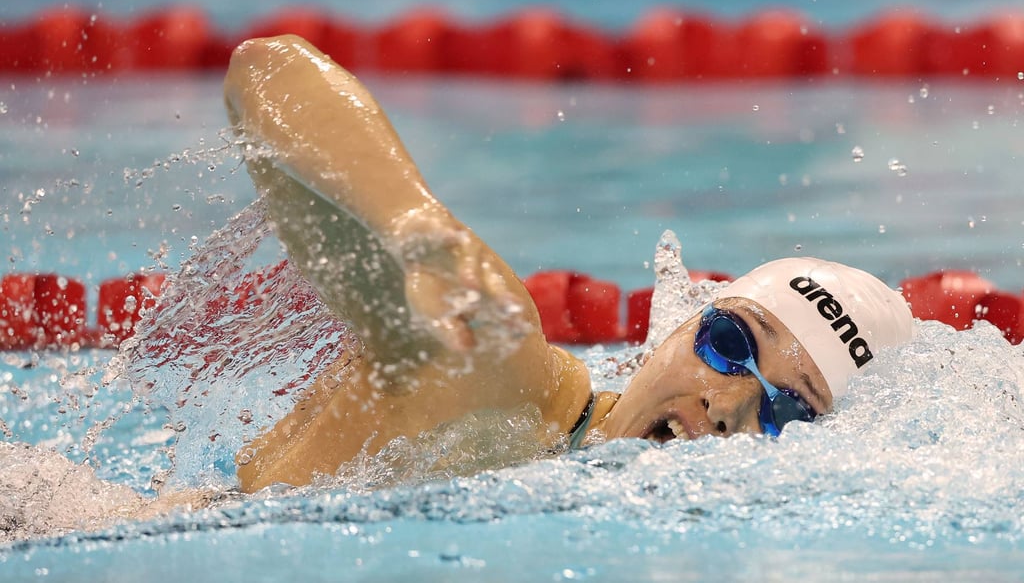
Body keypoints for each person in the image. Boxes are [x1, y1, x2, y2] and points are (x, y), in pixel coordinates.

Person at [223, 35, 917, 493]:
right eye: (731, 343)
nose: (730, 402)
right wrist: (414, 226)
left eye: (789, 410)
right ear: (676, 327)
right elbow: (266, 69)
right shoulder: (492, 363)